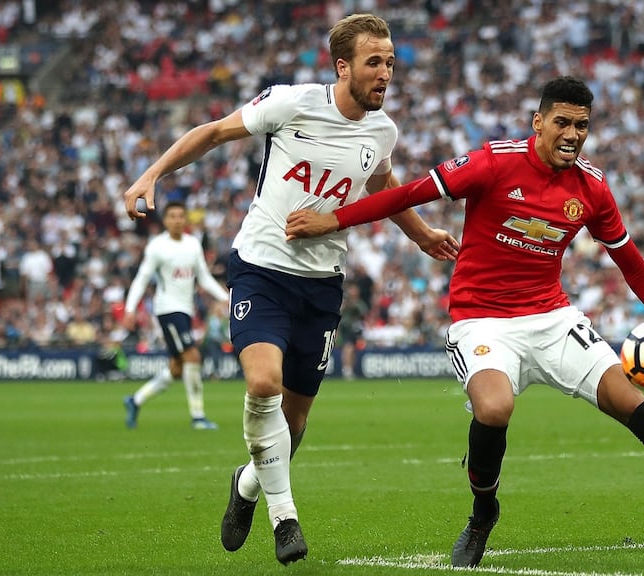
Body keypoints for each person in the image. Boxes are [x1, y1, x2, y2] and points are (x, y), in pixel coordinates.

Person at [286, 76, 644, 567]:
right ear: (537, 122)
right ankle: (483, 514)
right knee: (494, 410)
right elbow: (409, 194)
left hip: (553, 317)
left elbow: (633, 264)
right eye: (562, 122)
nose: (572, 133)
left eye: (581, 125)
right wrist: (334, 219)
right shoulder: (493, 162)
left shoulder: (592, 187)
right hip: (480, 319)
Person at [122, 13, 458, 566]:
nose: (386, 74)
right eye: (374, 62)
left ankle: (248, 486)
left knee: (294, 426)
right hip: (261, 268)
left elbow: (380, 183)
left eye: (391, 63)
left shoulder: (382, 131)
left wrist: (420, 234)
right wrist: (151, 174)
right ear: (342, 65)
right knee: (263, 383)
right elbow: (212, 132)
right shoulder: (291, 103)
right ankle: (286, 518)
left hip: (322, 286)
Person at [122, 201, 230, 430]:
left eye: (181, 216)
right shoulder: (157, 247)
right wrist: (130, 309)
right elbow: (142, 279)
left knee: (178, 368)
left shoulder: (192, 244)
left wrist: (224, 296)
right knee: (192, 357)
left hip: (186, 309)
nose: (177, 220)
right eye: (172, 216)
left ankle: (135, 400)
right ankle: (198, 416)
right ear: (165, 220)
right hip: (168, 309)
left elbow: (203, 276)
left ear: (186, 219)